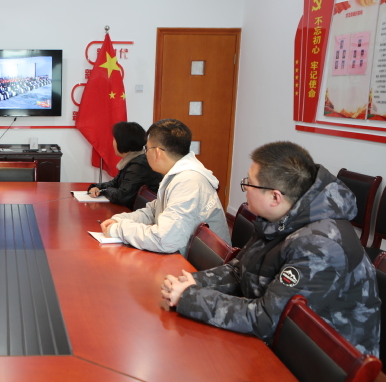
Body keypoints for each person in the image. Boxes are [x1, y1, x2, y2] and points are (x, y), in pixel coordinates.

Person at [161, 141, 380, 355]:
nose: (245, 188)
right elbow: (239, 270)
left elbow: (267, 319)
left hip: (322, 360)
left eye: (249, 183)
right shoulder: (281, 218)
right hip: (283, 340)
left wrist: (191, 298)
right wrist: (193, 283)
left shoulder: (320, 247)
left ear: (275, 197)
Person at [100, 118, 230, 255]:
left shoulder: (188, 181)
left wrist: (119, 230)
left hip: (198, 266)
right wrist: (120, 220)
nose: (145, 153)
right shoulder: (176, 176)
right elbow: (153, 212)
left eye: (146, 149)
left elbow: (164, 240)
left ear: (157, 152)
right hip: (182, 255)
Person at [86, 121, 163, 208]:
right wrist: (96, 187)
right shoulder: (133, 159)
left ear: (123, 142)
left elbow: (121, 197)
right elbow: (115, 183)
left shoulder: (139, 165)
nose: (113, 143)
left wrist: (103, 191)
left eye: (114, 139)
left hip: (144, 213)